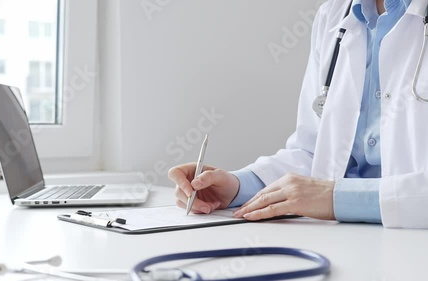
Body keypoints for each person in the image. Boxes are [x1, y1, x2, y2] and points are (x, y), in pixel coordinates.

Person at [169, 0, 428, 229]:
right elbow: (313, 152)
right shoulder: (334, 14)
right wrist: (238, 186)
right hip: (341, 238)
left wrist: (335, 198)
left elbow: (321, 191)